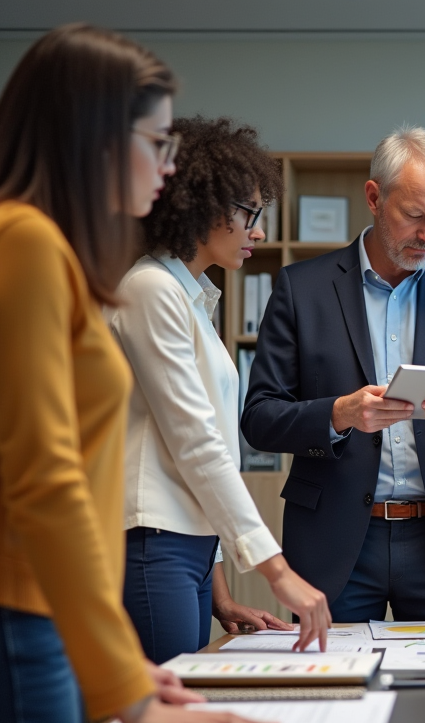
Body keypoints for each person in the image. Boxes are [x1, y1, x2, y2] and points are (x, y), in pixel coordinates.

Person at [0, 25, 278, 723]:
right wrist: (125, 687)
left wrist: (119, 665)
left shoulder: (25, 246)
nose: (169, 169)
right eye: (157, 141)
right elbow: (44, 480)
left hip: (5, 612)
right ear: (97, 137)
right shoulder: (18, 245)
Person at [241, 126, 425, 622]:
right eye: (415, 215)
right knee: (338, 694)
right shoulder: (301, 288)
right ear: (374, 197)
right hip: (334, 546)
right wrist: (339, 414)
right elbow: (260, 417)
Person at [110, 116, 330, 664]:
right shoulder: (150, 291)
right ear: (203, 207)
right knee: (170, 721)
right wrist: (277, 572)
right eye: (249, 213)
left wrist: (220, 593)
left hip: (183, 547)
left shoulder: (190, 299)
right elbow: (195, 442)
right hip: (152, 546)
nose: (257, 230)